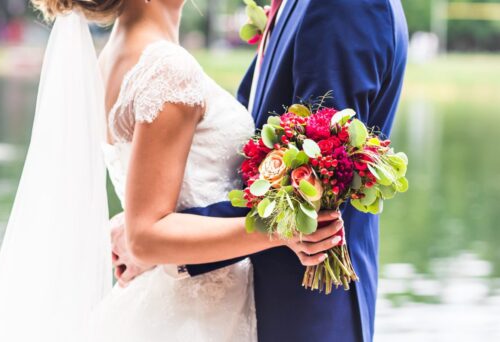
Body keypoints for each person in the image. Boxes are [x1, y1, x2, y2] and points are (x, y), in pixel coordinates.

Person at [0, 0, 341, 341]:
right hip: (194, 319)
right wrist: (278, 231)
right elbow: (146, 236)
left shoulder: (113, 58)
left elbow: (152, 201)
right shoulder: (167, 68)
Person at [113, 0, 408, 341]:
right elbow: (250, 154)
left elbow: (316, 182)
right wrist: (151, 223)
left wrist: (159, 239)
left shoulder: (342, 5)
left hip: (304, 308)